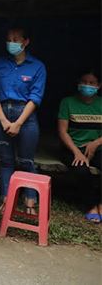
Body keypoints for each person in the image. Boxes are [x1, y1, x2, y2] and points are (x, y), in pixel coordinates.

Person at [0, 27, 46, 215]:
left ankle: (30, 202)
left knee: (26, 160)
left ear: (26, 42)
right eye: (9, 39)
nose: (11, 43)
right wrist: (3, 119)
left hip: (26, 117)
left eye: (16, 39)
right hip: (2, 113)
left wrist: (19, 122)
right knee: (6, 161)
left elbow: (35, 98)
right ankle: (6, 201)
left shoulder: (37, 66)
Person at [57, 68, 102, 224]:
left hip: (97, 148)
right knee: (82, 170)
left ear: (99, 85)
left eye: (91, 83)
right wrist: (77, 152)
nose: (87, 85)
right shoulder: (68, 102)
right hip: (72, 148)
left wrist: (95, 143)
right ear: (78, 83)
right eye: (84, 82)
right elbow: (63, 132)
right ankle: (91, 206)